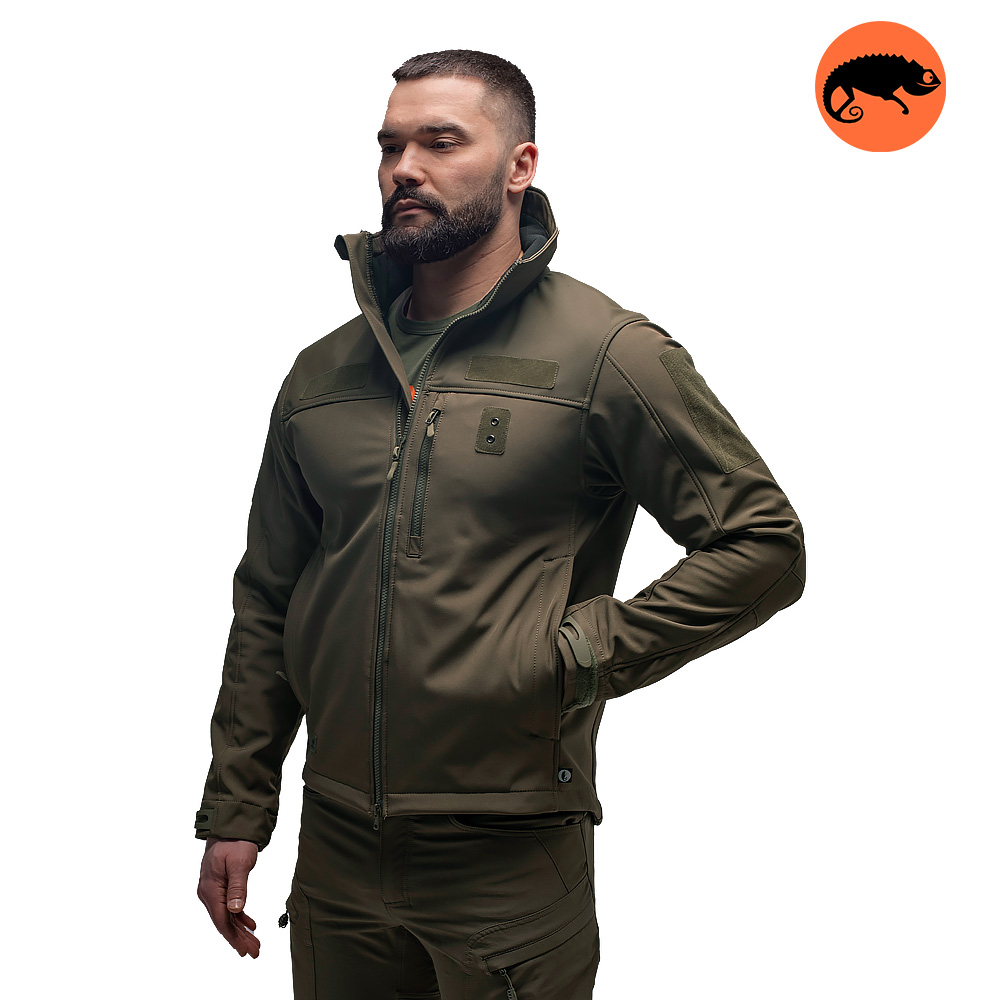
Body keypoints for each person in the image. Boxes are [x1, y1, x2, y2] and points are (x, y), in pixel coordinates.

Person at [194, 48, 806, 999]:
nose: (405, 168)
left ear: (521, 165)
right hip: (337, 852)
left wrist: (575, 657)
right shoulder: (321, 374)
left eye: (441, 142)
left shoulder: (606, 352)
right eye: (391, 145)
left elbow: (761, 542)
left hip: (508, 858)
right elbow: (270, 598)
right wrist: (239, 806)